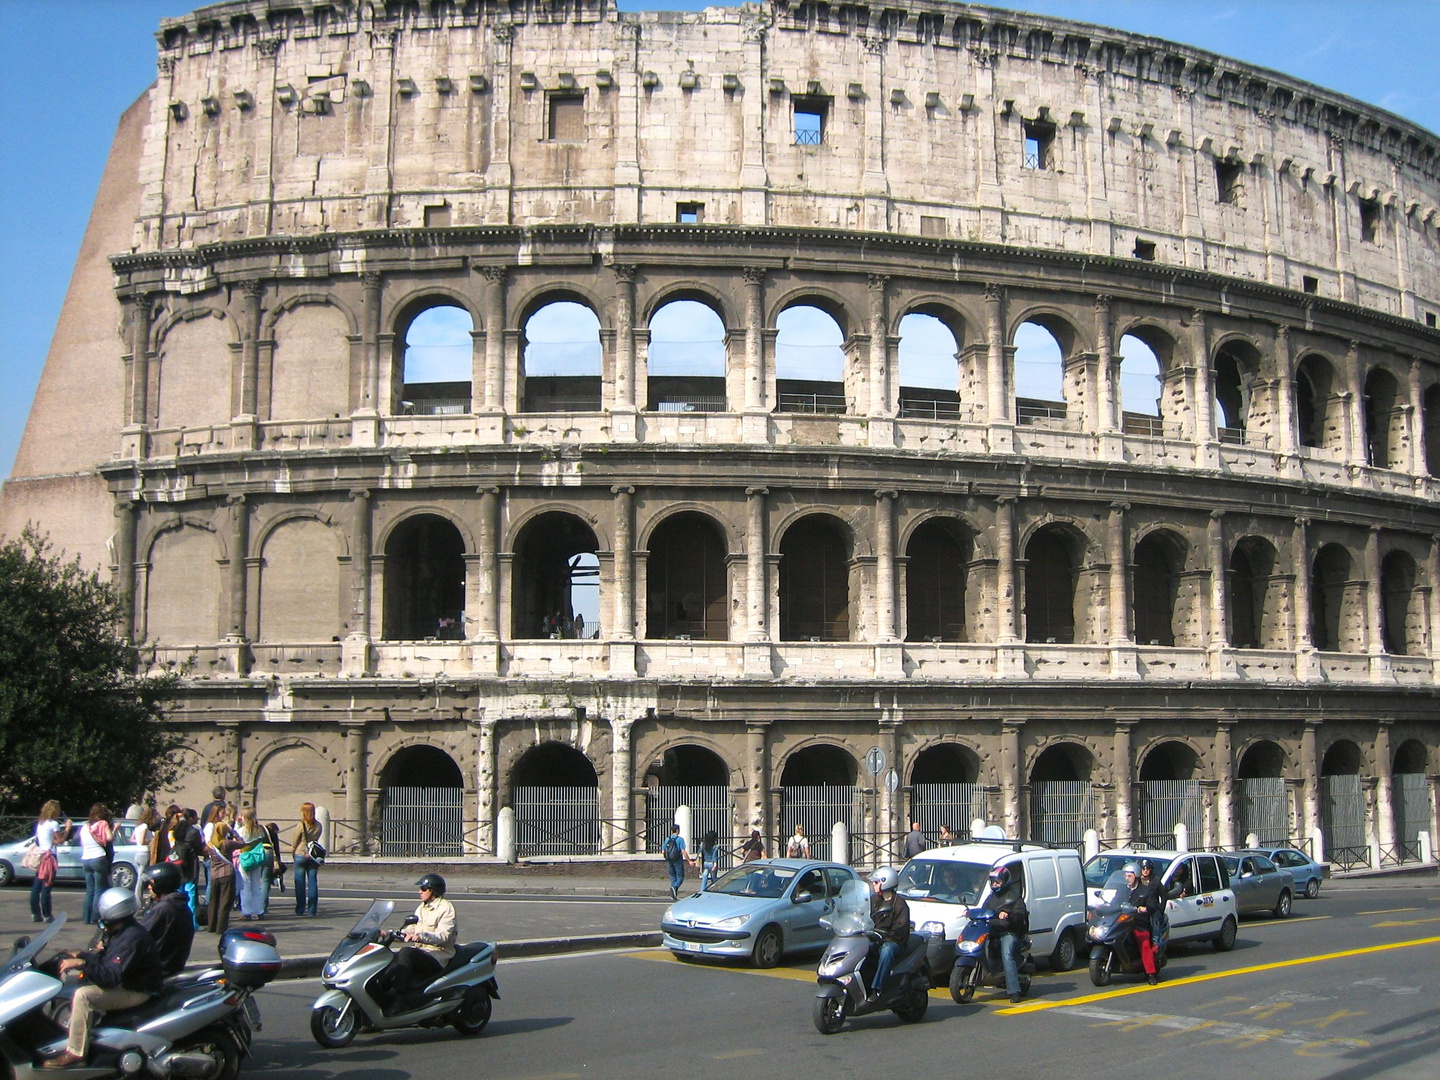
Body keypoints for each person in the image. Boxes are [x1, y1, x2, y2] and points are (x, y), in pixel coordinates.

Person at [41, 887, 162, 1069]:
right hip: (125, 982)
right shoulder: (120, 931)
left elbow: (111, 977)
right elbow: (106, 960)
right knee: (78, 986)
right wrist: (81, 955)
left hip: (136, 989)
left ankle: (76, 1053)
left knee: (83, 995)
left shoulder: (131, 938)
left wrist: (82, 964)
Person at [375, 873, 457, 1012]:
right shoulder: (422, 907)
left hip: (438, 956)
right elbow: (411, 928)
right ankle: (379, 998)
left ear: (433, 891)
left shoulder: (446, 908)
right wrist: (387, 934)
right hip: (422, 953)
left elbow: (444, 936)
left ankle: (400, 999)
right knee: (389, 960)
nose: (420, 891)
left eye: (424, 889)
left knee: (406, 953)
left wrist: (420, 937)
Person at [136, 863, 195, 977]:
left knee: (91, 994)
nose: (148, 887)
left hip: (155, 972)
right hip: (170, 967)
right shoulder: (179, 905)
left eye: (151, 883)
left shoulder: (163, 909)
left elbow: (138, 936)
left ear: (161, 884)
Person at [983, 864, 1030, 1003]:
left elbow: (1020, 915)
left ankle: (1014, 991)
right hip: (993, 929)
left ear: (1005, 882)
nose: (995, 884)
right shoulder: (990, 898)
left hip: (1009, 931)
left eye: (998, 882)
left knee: (1007, 953)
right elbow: (984, 911)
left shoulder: (1014, 897)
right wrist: (969, 913)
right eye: (993, 882)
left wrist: (1008, 914)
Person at [866, 866, 910, 1000]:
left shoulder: (900, 904)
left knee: (886, 951)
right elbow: (863, 915)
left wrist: (884, 937)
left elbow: (900, 928)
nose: (873, 884)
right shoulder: (873, 900)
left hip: (893, 941)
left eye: (876, 882)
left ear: (886, 882)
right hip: (874, 938)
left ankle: (877, 987)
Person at [1119, 862, 1162, 986]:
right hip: (1123, 922)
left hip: (1138, 923)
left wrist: (1145, 908)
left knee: (1144, 944)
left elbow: (1152, 905)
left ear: (1136, 876)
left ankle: (1150, 973)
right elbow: (1113, 901)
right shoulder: (1122, 890)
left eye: (1129, 876)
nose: (1127, 879)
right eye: (1125, 876)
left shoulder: (1146, 890)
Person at [30, 801, 72, 924]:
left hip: (41, 855)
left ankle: (35, 913)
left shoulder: (41, 823)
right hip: (50, 857)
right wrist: (68, 828)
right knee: (47, 886)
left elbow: (46, 839)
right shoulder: (54, 824)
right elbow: (60, 840)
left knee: (37, 885)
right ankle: (47, 914)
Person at [78, 804, 115, 925]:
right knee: (99, 889)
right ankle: (95, 917)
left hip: (86, 859)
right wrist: (115, 830)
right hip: (98, 857)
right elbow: (110, 838)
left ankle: (86, 917)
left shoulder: (85, 826)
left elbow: (82, 844)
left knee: (90, 890)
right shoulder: (103, 823)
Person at [232, 807, 268, 920]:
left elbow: (235, 839)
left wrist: (237, 824)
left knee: (245, 886)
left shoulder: (241, 831)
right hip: (257, 859)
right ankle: (259, 910)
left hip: (245, 859)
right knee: (256, 885)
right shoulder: (260, 830)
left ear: (244, 817)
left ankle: (246, 912)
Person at [205, 818, 237, 934]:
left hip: (214, 874)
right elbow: (243, 843)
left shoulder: (210, 845)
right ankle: (221, 927)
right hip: (227, 873)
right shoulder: (227, 843)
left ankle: (211, 925)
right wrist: (233, 831)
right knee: (225, 901)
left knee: (213, 901)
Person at [292, 802, 323, 916]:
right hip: (313, 856)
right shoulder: (319, 825)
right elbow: (317, 838)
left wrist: (293, 852)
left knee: (300, 883)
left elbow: (295, 841)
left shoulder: (301, 825)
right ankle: (312, 910)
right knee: (313, 882)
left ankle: (300, 909)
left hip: (300, 853)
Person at [1139, 859, 1170, 952]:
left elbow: (1164, 896)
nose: (1145, 870)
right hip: (1138, 908)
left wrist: (1160, 910)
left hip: (1152, 909)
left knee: (1155, 921)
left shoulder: (1155, 881)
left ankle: (1155, 943)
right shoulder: (1137, 881)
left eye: (1147, 868)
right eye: (1143, 868)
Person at [661, 823, 687, 900]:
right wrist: (689, 860)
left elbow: (663, 851)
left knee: (672, 876)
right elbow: (683, 851)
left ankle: (674, 892)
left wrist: (667, 858)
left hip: (669, 860)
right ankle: (674, 888)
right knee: (681, 877)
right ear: (678, 830)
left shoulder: (667, 839)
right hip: (678, 860)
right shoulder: (680, 839)